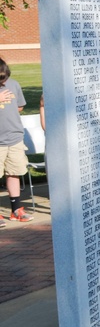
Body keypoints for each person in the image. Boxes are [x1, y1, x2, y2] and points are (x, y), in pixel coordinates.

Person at [0, 59, 31, 224]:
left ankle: (16, 210)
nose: (3, 81)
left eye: (5, 77)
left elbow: (20, 106)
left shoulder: (14, 84)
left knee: (14, 172)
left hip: (14, 137)